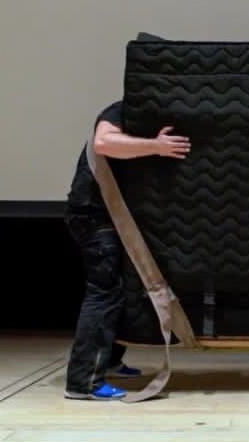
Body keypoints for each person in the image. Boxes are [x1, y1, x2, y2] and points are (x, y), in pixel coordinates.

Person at [63, 100, 191, 400]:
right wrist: (156, 146)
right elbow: (104, 142)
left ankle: (108, 362)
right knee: (105, 291)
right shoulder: (119, 111)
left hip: (112, 216)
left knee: (121, 288)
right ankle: (83, 382)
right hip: (94, 215)